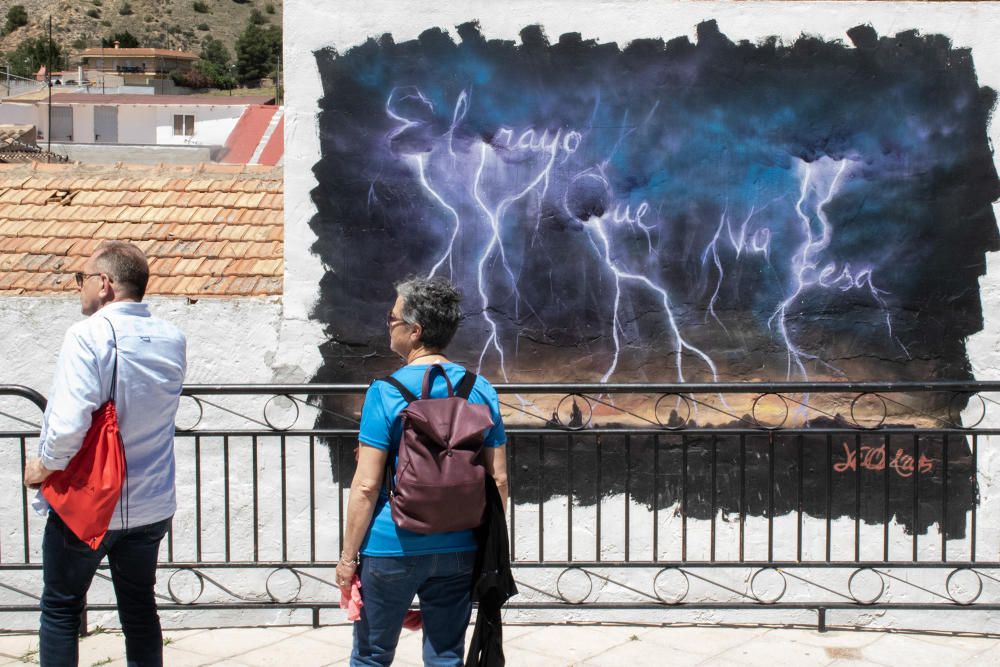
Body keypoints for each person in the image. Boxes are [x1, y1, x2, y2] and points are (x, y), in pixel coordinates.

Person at [23, 241, 187, 667]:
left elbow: (67, 425)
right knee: (139, 611)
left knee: (61, 607)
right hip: (151, 502)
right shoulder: (172, 338)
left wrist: (41, 467)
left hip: (90, 503)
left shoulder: (88, 335)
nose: (79, 288)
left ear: (105, 284)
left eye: (83, 279)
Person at [336, 276, 509, 667]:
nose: (389, 324)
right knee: (446, 655)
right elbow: (497, 478)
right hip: (461, 546)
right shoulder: (480, 388)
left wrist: (348, 559)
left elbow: (366, 485)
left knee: (371, 655)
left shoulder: (386, 390)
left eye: (392, 318)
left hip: (391, 544)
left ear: (415, 331)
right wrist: (488, 546)